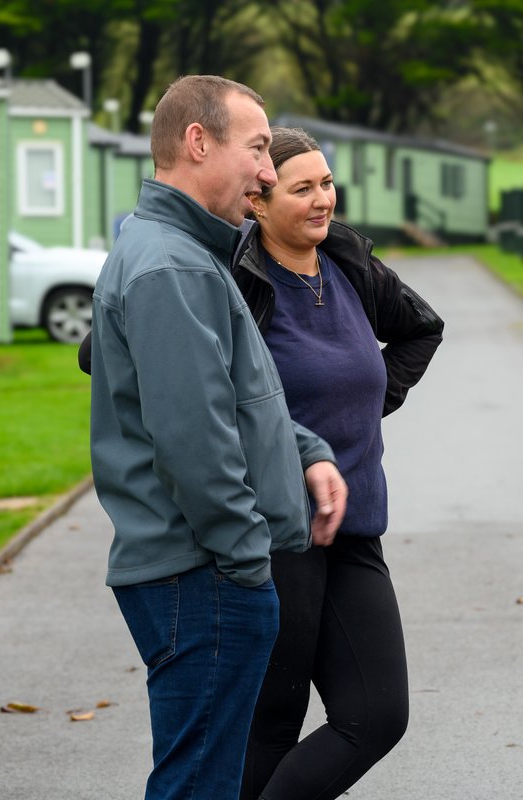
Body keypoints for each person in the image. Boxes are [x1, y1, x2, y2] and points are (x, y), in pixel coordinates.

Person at [88, 76, 347, 799]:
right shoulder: (171, 264)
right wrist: (245, 560)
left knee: (207, 777)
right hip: (201, 573)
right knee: (198, 784)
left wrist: (307, 453)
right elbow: (192, 438)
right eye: (259, 148)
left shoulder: (191, 252)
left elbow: (236, 397)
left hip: (203, 570)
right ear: (198, 142)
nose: (268, 171)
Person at [234, 127, 444, 800]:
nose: (324, 200)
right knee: (272, 720)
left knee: (377, 714)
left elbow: (421, 328)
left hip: (354, 525)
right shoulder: (231, 278)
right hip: (273, 534)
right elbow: (115, 348)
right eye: (303, 189)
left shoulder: (347, 263)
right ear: (258, 204)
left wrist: (364, 405)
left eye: (327, 183)